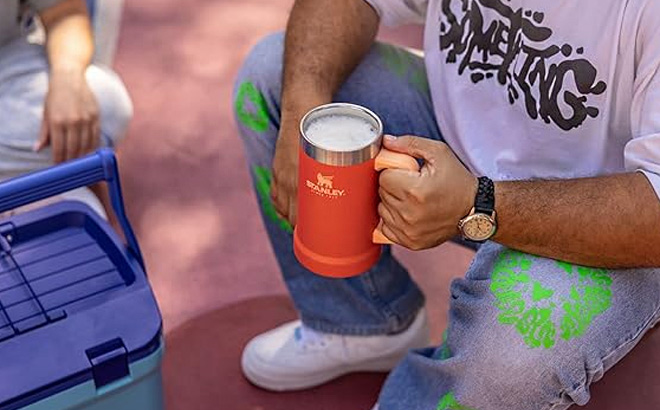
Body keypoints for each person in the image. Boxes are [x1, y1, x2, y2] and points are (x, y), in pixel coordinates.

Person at [233, 0, 660, 408]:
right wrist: (302, 109)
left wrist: (479, 204)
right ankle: (363, 321)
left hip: (609, 211)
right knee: (277, 78)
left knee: (509, 357)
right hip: (454, 143)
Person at [0, 0, 132, 216]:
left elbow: (65, 11)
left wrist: (67, 78)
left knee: (108, 106)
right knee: (83, 205)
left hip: (7, 62)